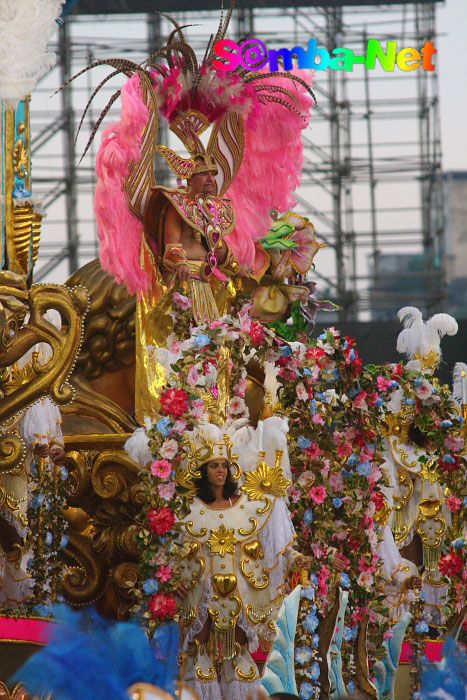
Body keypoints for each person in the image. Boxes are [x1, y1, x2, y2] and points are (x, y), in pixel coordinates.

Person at [177, 421, 310, 700]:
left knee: (238, 659)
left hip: (239, 595)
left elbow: (270, 546)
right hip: (202, 594)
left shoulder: (248, 507)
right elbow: (176, 552)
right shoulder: (188, 510)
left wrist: (294, 559)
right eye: (214, 465)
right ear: (202, 471)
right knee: (200, 657)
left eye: (224, 465)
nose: (221, 471)